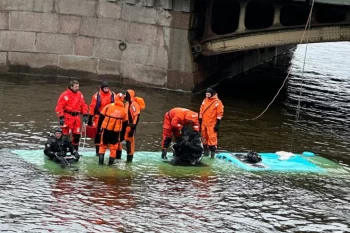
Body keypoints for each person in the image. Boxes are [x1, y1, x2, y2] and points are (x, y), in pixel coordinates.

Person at [55, 80, 88, 151]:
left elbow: (83, 105)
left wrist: (85, 115)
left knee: (76, 136)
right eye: (76, 87)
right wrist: (61, 117)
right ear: (71, 86)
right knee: (65, 136)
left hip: (76, 118)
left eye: (78, 86)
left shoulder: (80, 95)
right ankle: (62, 151)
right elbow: (59, 107)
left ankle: (75, 151)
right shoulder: (65, 95)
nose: (77, 88)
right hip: (67, 118)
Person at [97, 93, 128, 165]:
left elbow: (101, 117)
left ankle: (100, 164)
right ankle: (110, 165)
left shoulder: (108, 106)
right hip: (116, 133)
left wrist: (99, 129)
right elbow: (125, 124)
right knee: (113, 148)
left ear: (115, 98)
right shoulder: (124, 110)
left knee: (102, 146)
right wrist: (122, 136)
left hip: (106, 131)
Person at [87, 81, 115, 156]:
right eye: (105, 88)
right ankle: (97, 152)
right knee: (98, 135)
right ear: (102, 88)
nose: (106, 89)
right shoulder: (96, 96)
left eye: (107, 88)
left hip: (109, 117)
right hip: (98, 117)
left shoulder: (112, 95)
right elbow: (92, 107)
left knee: (108, 134)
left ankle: (106, 151)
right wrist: (90, 118)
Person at [199, 88, 224, 159]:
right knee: (204, 139)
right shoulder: (204, 101)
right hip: (204, 124)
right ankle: (206, 153)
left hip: (212, 124)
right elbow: (201, 110)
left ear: (212, 94)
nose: (207, 95)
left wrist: (217, 124)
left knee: (212, 140)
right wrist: (200, 119)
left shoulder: (217, 102)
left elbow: (220, 113)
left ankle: (212, 156)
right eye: (206, 94)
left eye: (208, 94)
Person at [124, 90, 145, 163]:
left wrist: (132, 129)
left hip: (130, 127)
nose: (124, 96)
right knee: (127, 143)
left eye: (126, 94)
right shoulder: (127, 103)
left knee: (130, 144)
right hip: (125, 126)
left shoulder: (134, 105)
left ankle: (129, 161)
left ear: (130, 95)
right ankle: (127, 159)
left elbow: (136, 116)